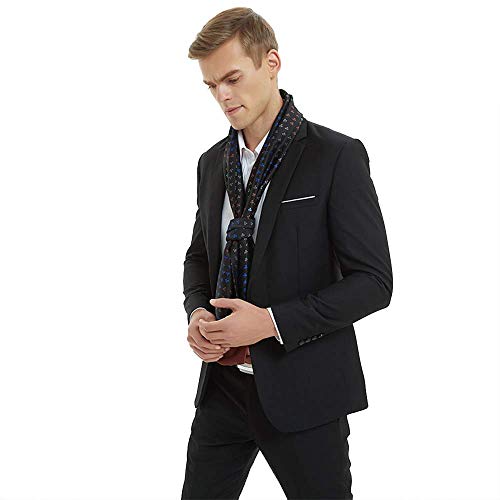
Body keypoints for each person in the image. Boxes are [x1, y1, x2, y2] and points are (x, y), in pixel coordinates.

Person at [181, 7, 393, 499]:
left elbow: (374, 283)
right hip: (222, 389)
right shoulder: (212, 164)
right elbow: (199, 258)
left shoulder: (335, 156)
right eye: (211, 85)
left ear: (271, 63)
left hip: (306, 392)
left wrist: (271, 322)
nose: (222, 96)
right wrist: (196, 311)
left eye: (232, 78)